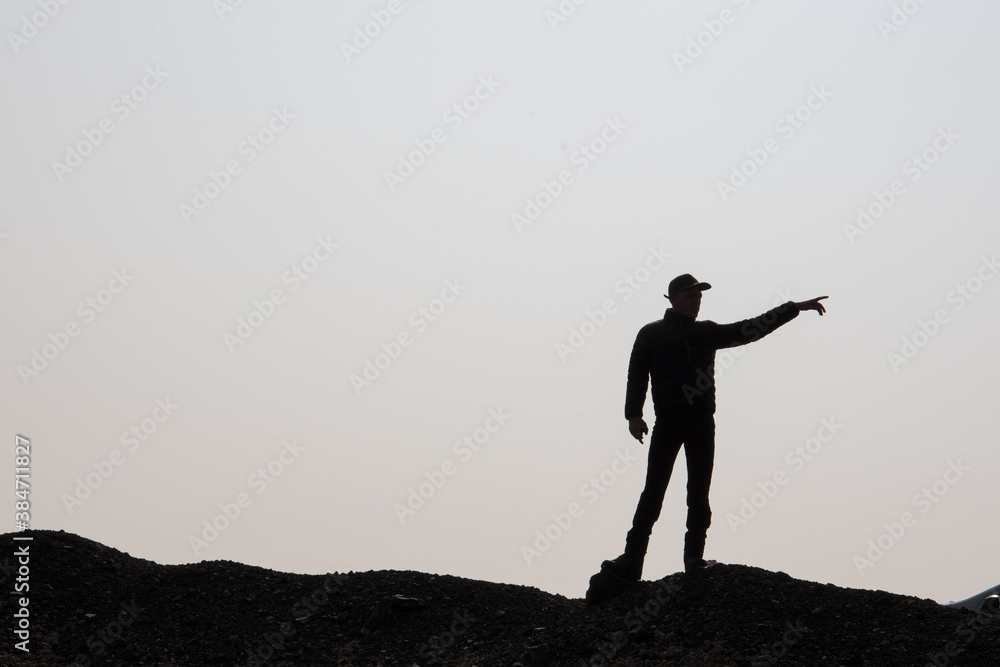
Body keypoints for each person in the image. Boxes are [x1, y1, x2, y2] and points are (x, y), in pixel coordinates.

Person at [603, 273, 828, 580]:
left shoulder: (706, 332)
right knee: (653, 492)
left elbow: (750, 329)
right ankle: (632, 560)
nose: (697, 301)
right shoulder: (651, 333)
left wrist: (793, 308)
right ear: (673, 298)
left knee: (698, 493)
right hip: (668, 419)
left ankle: (694, 558)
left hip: (701, 420)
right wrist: (633, 414)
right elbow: (637, 373)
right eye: (691, 296)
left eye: (700, 297)